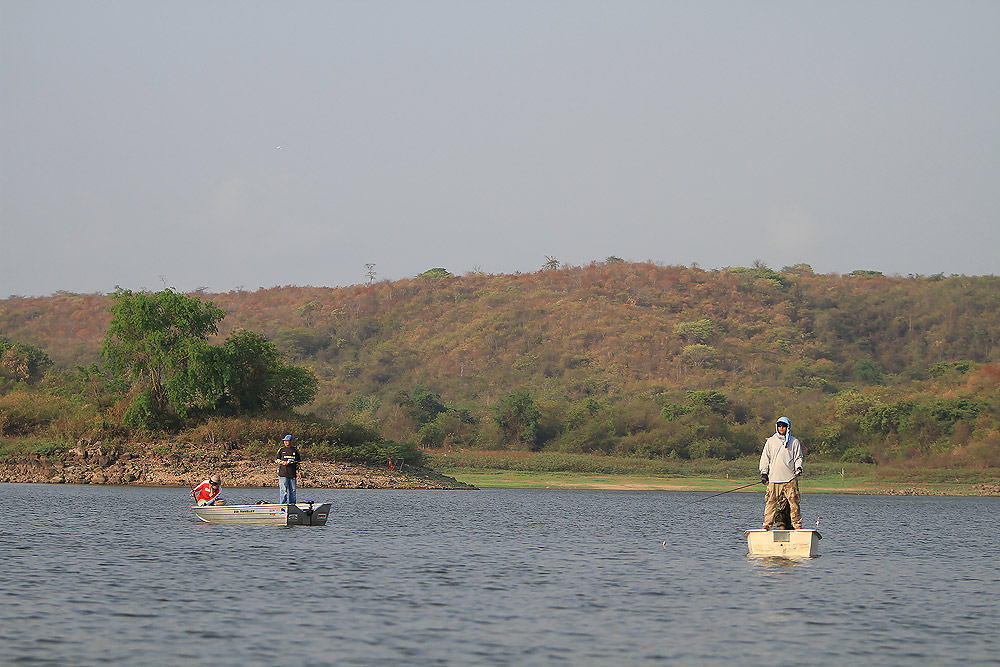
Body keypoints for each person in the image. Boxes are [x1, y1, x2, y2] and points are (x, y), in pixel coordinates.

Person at [759, 416, 803, 530]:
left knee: (794, 503)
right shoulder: (771, 441)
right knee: (770, 503)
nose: (781, 428)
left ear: (787, 427)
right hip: (774, 478)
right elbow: (765, 458)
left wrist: (798, 468)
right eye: (779, 426)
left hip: (790, 478)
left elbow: (798, 457)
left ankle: (797, 526)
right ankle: (766, 526)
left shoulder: (794, 442)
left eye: (784, 426)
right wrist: (764, 473)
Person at [275, 434, 301, 504]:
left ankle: (292, 505)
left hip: (292, 474)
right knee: (283, 491)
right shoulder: (281, 450)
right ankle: (283, 504)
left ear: (291, 441)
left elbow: (298, 462)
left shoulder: (295, 450)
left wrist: (299, 472)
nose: (286, 442)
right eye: (285, 441)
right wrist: (282, 462)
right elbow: (276, 460)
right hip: (283, 474)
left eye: (287, 441)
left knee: (293, 491)